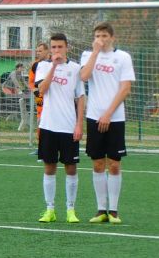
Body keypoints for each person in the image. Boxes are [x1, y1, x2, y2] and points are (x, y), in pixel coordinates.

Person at [80, 21, 135, 225]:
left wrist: (108, 114)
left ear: (112, 37)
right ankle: (101, 209)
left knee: (113, 164)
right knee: (97, 163)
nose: (100, 40)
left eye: (104, 36)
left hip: (115, 117)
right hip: (94, 116)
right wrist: (95, 53)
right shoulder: (88, 56)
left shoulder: (123, 57)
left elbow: (125, 88)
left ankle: (113, 211)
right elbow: (84, 77)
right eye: (97, 36)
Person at [34, 33, 85, 223]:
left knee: (71, 168)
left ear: (67, 48)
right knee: (49, 167)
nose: (56, 50)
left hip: (69, 126)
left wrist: (79, 124)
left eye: (60, 47)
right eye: (53, 47)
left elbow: (80, 98)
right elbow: (42, 90)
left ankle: (71, 209)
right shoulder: (43, 66)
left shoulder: (76, 68)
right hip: (48, 126)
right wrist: (54, 66)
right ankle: (50, 209)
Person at [5, 62, 30, 131]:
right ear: (17, 68)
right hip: (6, 88)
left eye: (23, 67)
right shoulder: (13, 73)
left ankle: (18, 116)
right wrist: (20, 91)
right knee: (20, 97)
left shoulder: (20, 74)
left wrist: (29, 87)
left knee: (21, 99)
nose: (23, 69)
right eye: (21, 67)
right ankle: (11, 115)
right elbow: (15, 82)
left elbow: (23, 81)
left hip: (13, 89)